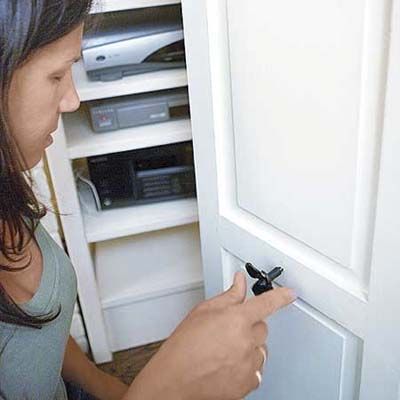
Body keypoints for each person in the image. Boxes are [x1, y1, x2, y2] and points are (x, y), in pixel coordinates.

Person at [0, 1, 296, 399]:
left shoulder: (9, 190)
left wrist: (109, 387)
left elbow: (38, 329)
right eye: (56, 76)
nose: (73, 100)